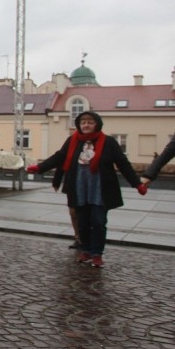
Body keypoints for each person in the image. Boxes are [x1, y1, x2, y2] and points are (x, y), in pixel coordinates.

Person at [26, 111, 146, 268]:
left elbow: (123, 164)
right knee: (82, 222)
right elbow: (59, 157)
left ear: (97, 124)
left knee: (98, 222)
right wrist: (39, 167)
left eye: (90, 122)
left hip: (99, 189)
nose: (86, 125)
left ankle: (97, 253)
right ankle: (86, 250)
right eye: (83, 122)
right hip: (79, 187)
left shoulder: (108, 142)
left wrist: (137, 184)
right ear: (79, 125)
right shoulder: (73, 141)